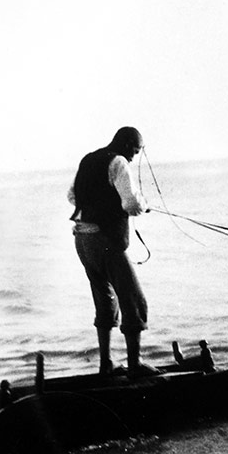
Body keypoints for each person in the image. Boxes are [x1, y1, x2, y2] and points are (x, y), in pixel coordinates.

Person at [68, 126, 156, 378]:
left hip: (82, 241)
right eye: (135, 152)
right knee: (134, 301)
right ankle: (135, 365)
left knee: (105, 300)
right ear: (128, 146)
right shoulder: (118, 162)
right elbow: (130, 203)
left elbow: (72, 196)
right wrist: (143, 206)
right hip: (104, 241)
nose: (134, 158)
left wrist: (99, 203)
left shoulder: (89, 159)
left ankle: (105, 364)